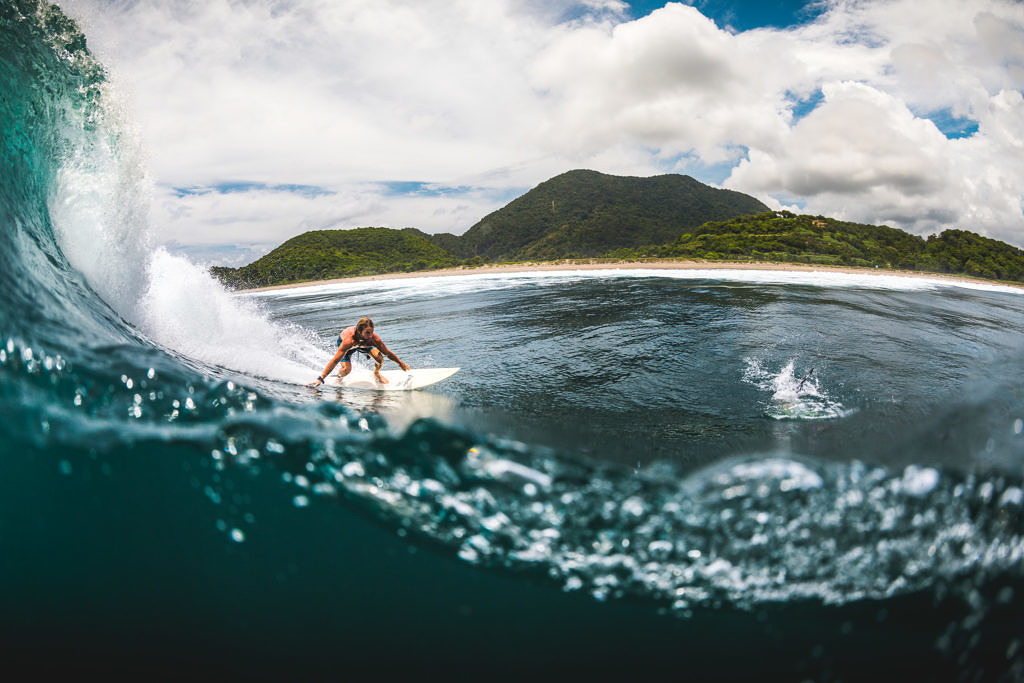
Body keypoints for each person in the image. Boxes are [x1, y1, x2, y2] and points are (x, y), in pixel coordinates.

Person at [308, 317, 410, 387]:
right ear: (359, 331)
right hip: (346, 345)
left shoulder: (373, 339)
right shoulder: (349, 340)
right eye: (367, 333)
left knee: (379, 358)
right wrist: (321, 378)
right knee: (346, 370)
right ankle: (339, 378)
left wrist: (400, 363)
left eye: (372, 332)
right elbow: (335, 360)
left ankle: (376, 373)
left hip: (363, 344)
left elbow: (387, 353)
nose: (371, 336)